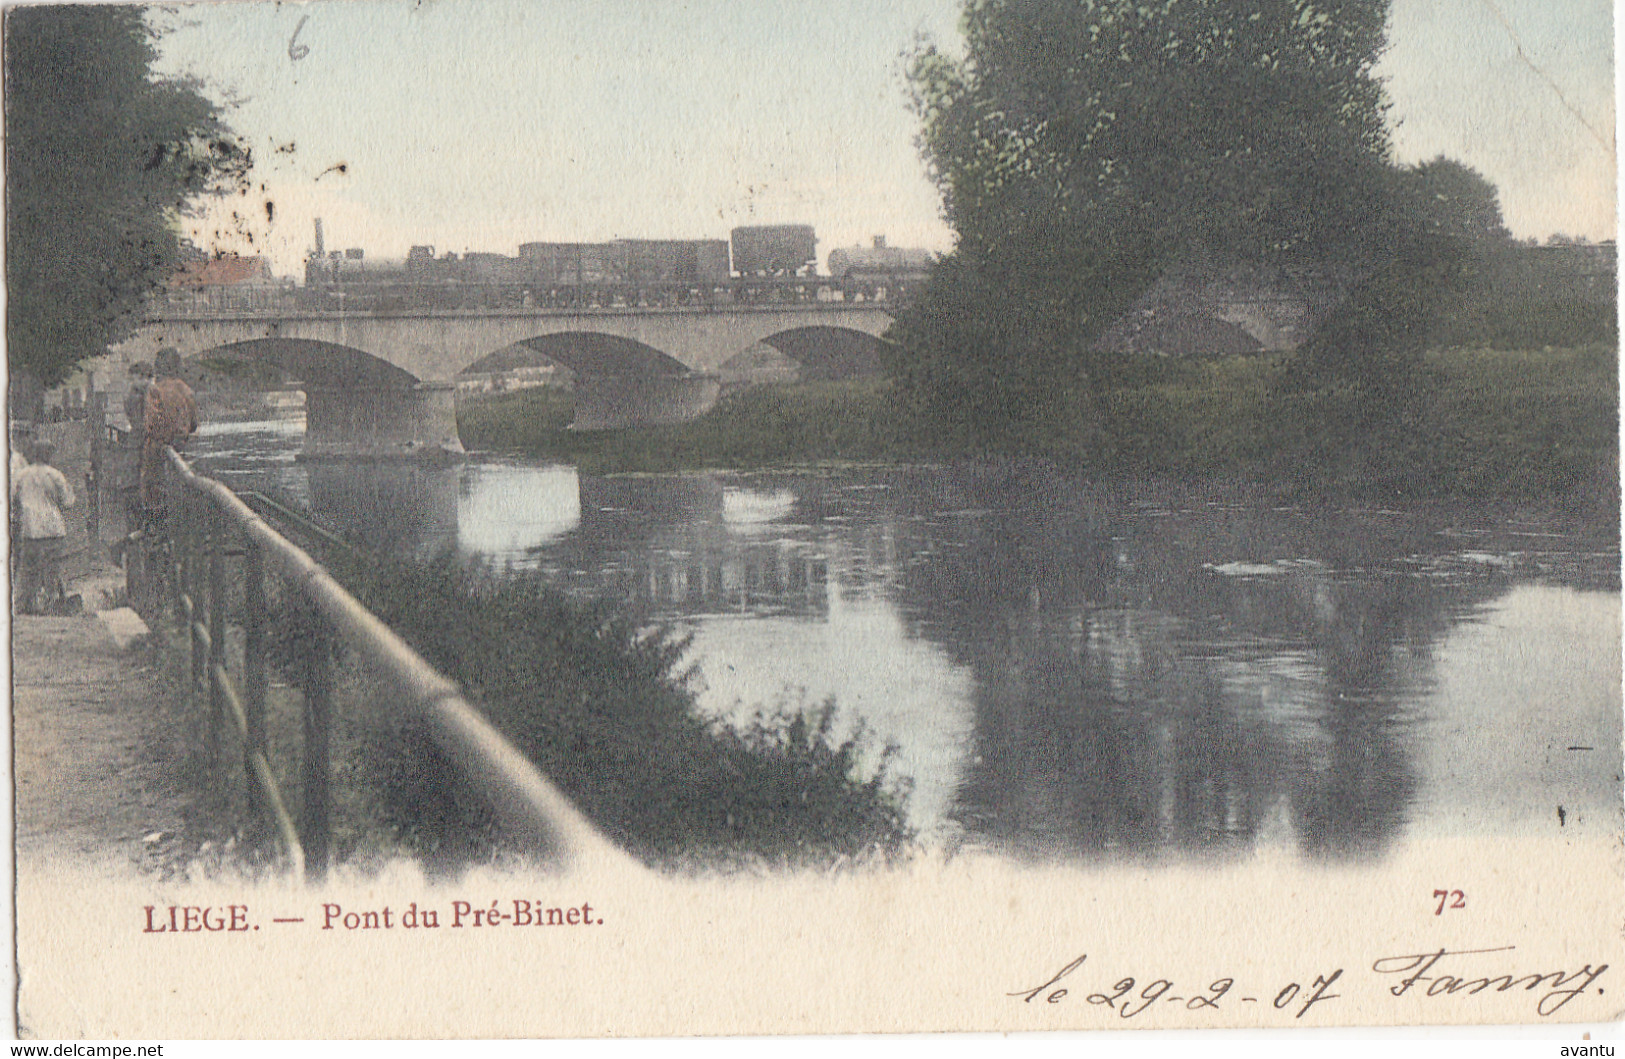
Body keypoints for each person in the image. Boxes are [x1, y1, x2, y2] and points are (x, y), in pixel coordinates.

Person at [12, 440, 75, 615]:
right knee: (51, 570)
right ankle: (51, 608)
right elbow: (68, 502)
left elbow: (12, 499)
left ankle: (22, 608)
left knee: (27, 570)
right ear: (48, 455)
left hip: (31, 529)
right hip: (53, 529)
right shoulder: (54, 474)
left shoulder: (21, 475)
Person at [139, 349, 198, 521]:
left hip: (158, 447)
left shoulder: (154, 390)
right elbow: (194, 424)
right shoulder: (186, 390)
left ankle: (155, 526)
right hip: (180, 446)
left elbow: (150, 424)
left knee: (153, 489)